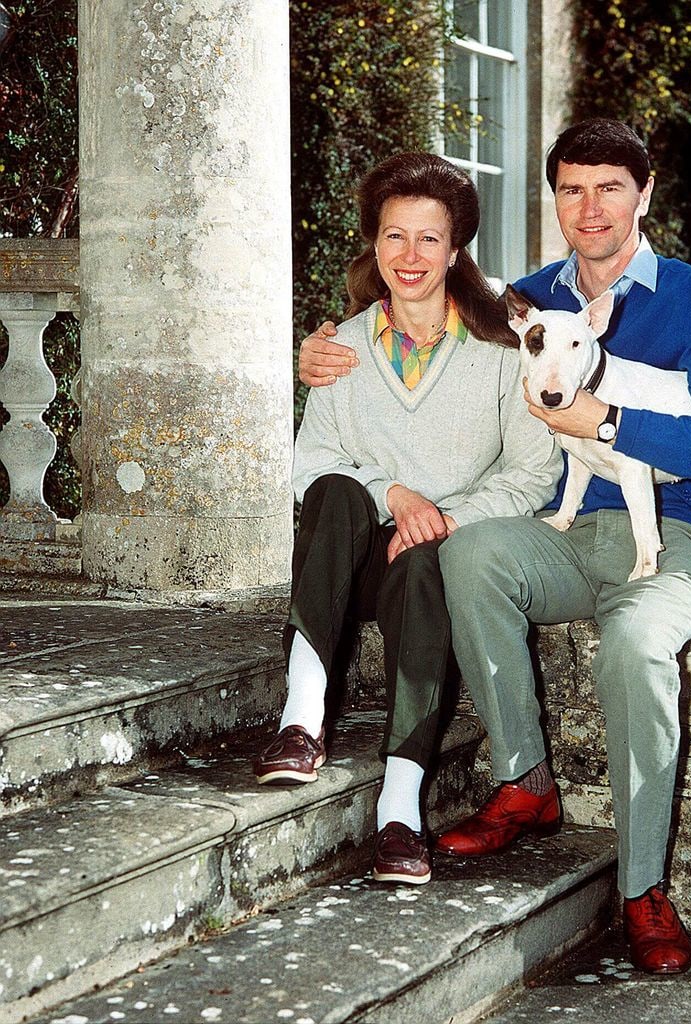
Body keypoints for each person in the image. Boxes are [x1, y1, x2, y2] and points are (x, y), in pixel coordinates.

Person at [298, 120, 691, 974]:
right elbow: (414, 315)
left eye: (610, 187)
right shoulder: (520, 300)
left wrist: (616, 421)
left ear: (644, 194)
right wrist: (321, 350)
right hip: (556, 532)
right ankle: (527, 784)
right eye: (572, 189)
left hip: (667, 532)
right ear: (554, 200)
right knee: (469, 555)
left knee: (634, 648)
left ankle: (641, 889)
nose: (590, 207)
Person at [256, 151, 560, 890]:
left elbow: (535, 472)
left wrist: (444, 517)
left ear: (456, 250)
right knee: (332, 491)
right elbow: (310, 462)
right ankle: (302, 717)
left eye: (429, 239)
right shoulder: (344, 349)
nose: (411, 256)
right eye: (395, 237)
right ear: (375, 244)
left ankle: (399, 810)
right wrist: (394, 494)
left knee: (428, 560)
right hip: (350, 561)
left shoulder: (499, 352)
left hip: (423, 570)